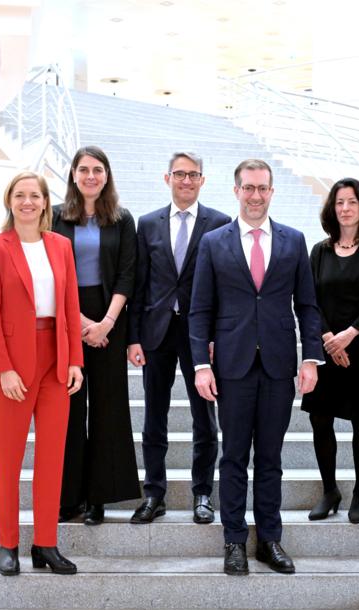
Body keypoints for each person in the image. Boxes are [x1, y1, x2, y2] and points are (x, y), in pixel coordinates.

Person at [189, 158, 323, 576]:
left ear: (272, 192)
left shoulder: (293, 240)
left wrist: (311, 357)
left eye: (263, 188)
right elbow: (199, 310)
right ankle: (234, 541)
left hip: (279, 365)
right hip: (232, 365)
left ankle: (269, 539)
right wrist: (200, 365)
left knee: (270, 458)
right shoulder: (214, 242)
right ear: (236, 191)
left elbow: (307, 305)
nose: (255, 195)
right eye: (248, 187)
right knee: (232, 457)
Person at [0, 171, 84, 576]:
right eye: (20, 195)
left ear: (45, 203)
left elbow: (70, 305)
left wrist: (74, 359)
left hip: (54, 360)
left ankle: (46, 543)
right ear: (10, 201)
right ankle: (8, 544)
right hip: (12, 365)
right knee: (8, 458)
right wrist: (3, 368)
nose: (27, 202)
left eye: (35, 195)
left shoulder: (60, 246)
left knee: (52, 458)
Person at [127, 152, 232, 525]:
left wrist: (217, 336)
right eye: (179, 174)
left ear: (202, 180)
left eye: (193, 175)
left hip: (199, 334)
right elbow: (139, 283)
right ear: (166, 177)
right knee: (154, 416)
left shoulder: (219, 222)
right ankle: (154, 494)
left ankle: (203, 493)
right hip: (156, 332)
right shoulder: (148, 223)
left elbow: (224, 286)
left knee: (205, 417)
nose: (186, 181)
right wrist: (133, 336)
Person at [52, 146, 141, 525]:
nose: (91, 176)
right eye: (84, 169)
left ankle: (99, 498)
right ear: (73, 174)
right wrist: (81, 322)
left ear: (107, 175)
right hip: (67, 318)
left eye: (98, 170)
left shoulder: (121, 219)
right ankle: (69, 496)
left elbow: (127, 273)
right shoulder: (54, 216)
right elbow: (53, 273)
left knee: (107, 409)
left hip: (110, 318)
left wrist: (105, 323)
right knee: (69, 410)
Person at [302, 178, 359, 524]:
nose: (345, 208)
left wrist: (350, 334)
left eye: (352, 202)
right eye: (339, 202)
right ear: (331, 208)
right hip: (326, 349)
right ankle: (330, 490)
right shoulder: (320, 251)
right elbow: (309, 299)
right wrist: (329, 338)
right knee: (319, 419)